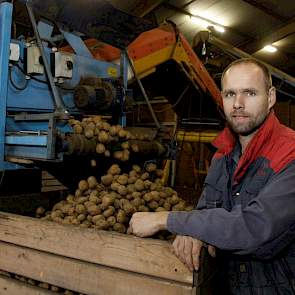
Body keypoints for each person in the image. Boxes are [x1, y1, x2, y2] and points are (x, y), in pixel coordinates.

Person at [128, 58, 295, 294]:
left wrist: (165, 219)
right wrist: (193, 232)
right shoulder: (222, 155)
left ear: (270, 98)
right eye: (229, 94)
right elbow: (206, 210)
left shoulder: (290, 154)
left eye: (249, 93)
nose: (238, 103)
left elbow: (256, 228)